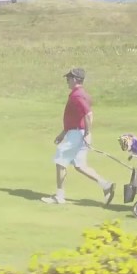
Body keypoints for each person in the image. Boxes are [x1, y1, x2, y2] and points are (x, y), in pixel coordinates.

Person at [41, 67, 115, 206]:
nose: (67, 81)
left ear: (75, 79)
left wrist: (86, 133)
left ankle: (59, 196)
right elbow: (81, 116)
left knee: (60, 161)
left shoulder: (77, 95)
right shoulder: (83, 94)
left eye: (68, 79)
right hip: (77, 133)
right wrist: (64, 133)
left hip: (77, 134)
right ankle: (106, 185)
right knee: (80, 166)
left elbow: (87, 115)